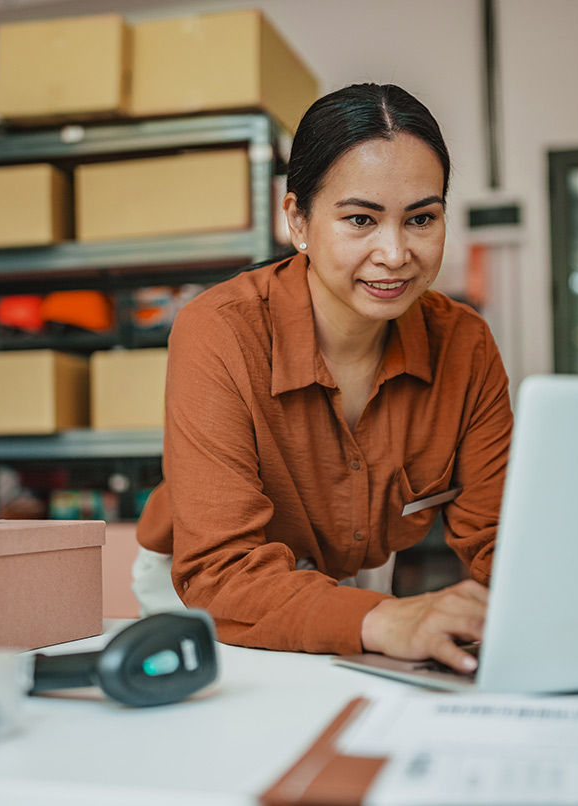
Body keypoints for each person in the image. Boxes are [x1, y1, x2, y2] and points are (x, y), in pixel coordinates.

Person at [134, 83, 512, 674]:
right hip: (215, 595)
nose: (394, 253)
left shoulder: (465, 344)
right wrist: (382, 619)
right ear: (298, 220)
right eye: (361, 219)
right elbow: (222, 569)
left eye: (421, 218)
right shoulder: (219, 331)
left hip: (360, 588)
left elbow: (498, 537)